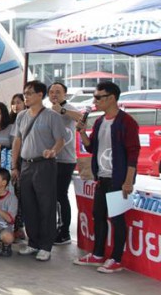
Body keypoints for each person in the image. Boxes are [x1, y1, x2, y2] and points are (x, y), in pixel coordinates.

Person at [73, 81, 140, 274]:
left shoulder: (126, 122)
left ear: (111, 98)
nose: (95, 101)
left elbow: (133, 153)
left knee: (117, 219)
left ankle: (116, 259)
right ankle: (98, 254)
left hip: (118, 179)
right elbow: (91, 147)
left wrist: (128, 181)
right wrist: (82, 133)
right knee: (99, 216)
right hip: (102, 178)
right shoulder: (100, 121)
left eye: (98, 97)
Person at [11, 80, 65, 261]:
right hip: (26, 164)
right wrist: (14, 165)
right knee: (28, 205)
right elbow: (17, 141)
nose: (25, 96)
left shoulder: (52, 116)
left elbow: (60, 140)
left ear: (40, 95)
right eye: (25, 93)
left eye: (29, 93)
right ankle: (33, 242)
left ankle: (46, 246)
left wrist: (53, 151)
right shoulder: (21, 116)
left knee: (46, 205)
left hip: (44, 165)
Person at [48, 82, 83, 246]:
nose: (54, 94)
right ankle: (55, 228)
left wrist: (61, 110)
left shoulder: (68, 108)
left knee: (61, 195)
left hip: (65, 160)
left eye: (58, 92)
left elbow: (81, 118)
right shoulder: (48, 110)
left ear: (65, 94)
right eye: (51, 92)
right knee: (53, 196)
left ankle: (64, 232)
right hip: (50, 159)